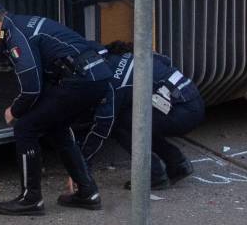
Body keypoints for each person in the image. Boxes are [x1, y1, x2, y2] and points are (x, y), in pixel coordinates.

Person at [0, 4, 108, 215]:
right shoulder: (23, 21)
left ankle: (31, 198)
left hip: (79, 80)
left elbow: (31, 88)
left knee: (25, 127)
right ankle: (88, 192)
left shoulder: (14, 35)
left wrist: (14, 110)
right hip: (95, 76)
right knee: (57, 126)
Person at [78, 42, 204, 188]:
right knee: (139, 118)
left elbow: (103, 124)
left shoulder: (113, 79)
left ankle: (154, 176)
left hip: (182, 111)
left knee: (123, 125)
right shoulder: (134, 56)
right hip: (193, 100)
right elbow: (165, 61)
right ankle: (177, 163)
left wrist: (81, 165)